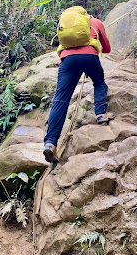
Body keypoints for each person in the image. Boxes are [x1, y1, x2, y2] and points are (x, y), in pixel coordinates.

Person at [43, 8, 113, 164]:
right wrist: (94, 46)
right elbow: (107, 49)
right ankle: (101, 113)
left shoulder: (66, 23)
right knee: (99, 83)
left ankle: (50, 142)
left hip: (67, 60)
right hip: (89, 57)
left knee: (60, 100)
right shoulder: (95, 22)